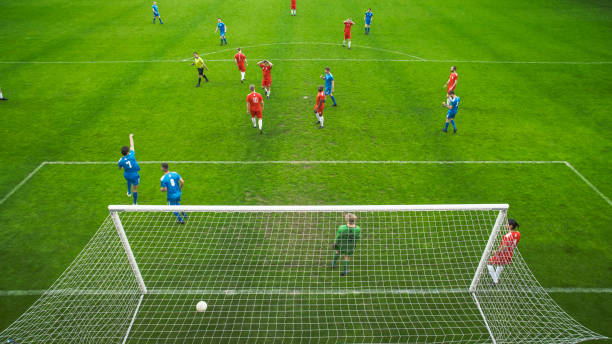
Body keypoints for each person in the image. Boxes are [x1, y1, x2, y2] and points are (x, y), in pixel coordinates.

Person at [487, 219, 521, 284]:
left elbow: (504, 246)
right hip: (510, 253)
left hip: (503, 254)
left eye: (506, 224)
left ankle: (495, 281)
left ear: (510, 226)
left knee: (489, 263)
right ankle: (495, 280)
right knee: (500, 264)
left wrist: (496, 252)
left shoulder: (507, 236)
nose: (505, 225)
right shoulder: (518, 233)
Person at [117, 134, 140, 205]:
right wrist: (130, 137)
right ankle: (135, 203)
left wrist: (123, 166)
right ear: (127, 152)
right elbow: (132, 145)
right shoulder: (132, 155)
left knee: (128, 180)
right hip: (135, 175)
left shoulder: (120, 160)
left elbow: (120, 168)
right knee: (135, 189)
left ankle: (129, 192)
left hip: (126, 175)